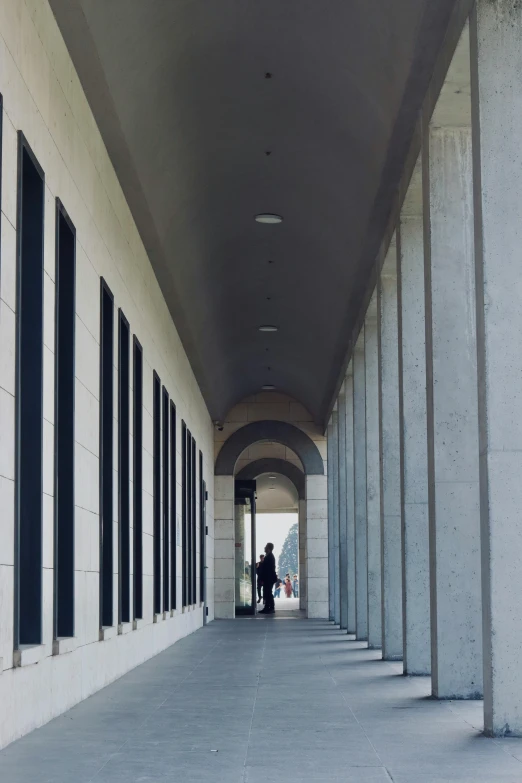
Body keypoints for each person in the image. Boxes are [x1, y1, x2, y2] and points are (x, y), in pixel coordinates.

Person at [258, 543, 277, 614]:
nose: (264, 548)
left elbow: (267, 570)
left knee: (268, 592)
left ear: (268, 548)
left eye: (265, 547)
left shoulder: (269, 557)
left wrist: (263, 578)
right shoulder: (269, 556)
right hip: (269, 578)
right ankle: (267, 607)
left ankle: (271, 608)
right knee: (267, 592)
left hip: (269, 579)